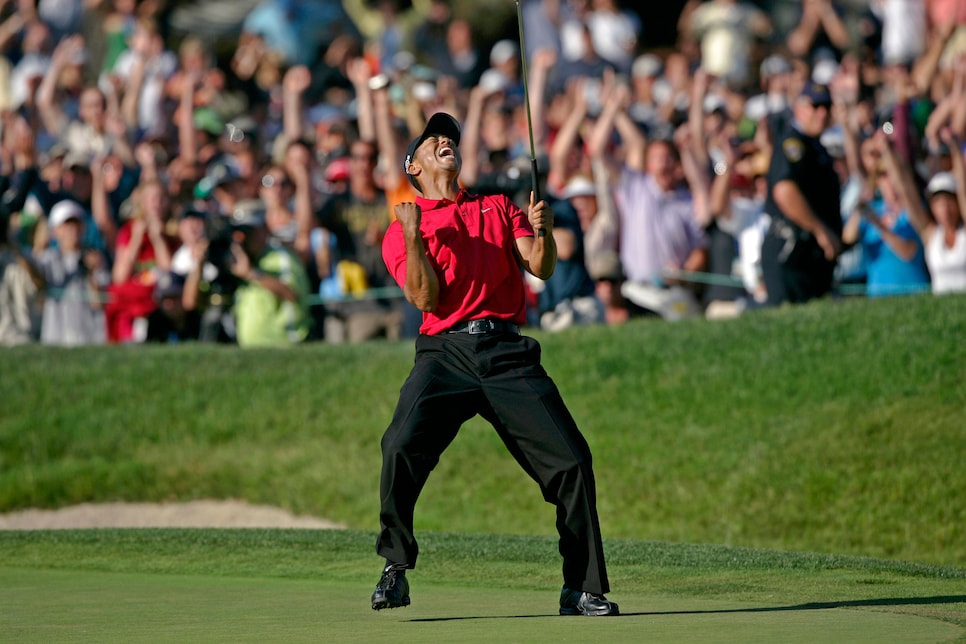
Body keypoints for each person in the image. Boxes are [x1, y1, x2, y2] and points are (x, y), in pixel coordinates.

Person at [372, 112, 618, 617]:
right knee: (399, 445)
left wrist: (543, 232)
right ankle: (395, 567)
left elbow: (541, 267)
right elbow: (425, 297)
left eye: (450, 138)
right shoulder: (402, 227)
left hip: (506, 352)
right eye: (431, 140)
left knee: (572, 459)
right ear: (413, 166)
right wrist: (416, 237)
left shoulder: (497, 206)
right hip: (445, 353)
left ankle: (582, 586)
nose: (444, 141)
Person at [759, 81, 843, 306]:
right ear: (799, 108)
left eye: (827, 106)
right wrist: (820, 230)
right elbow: (785, 191)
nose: (822, 113)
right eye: (815, 106)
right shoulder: (793, 144)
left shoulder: (817, 146)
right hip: (792, 250)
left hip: (811, 254)